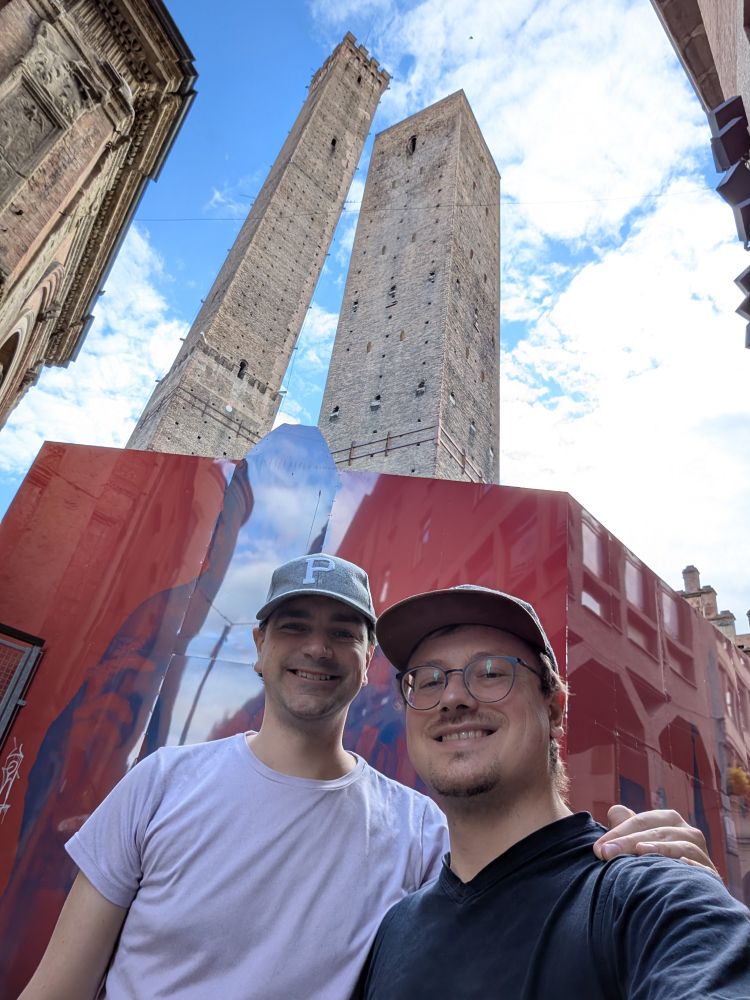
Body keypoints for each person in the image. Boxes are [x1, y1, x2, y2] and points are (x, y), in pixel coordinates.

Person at [21, 557, 718, 1000]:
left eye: (492, 673)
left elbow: (533, 859)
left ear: (364, 663)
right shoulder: (159, 784)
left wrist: (647, 856)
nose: (317, 648)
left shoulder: (422, 832)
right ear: (258, 647)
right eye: (294, 625)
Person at [357, 584, 750, 999]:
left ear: (555, 709)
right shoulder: (394, 932)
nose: (452, 698)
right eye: (429, 680)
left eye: (490, 672)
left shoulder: (647, 897)